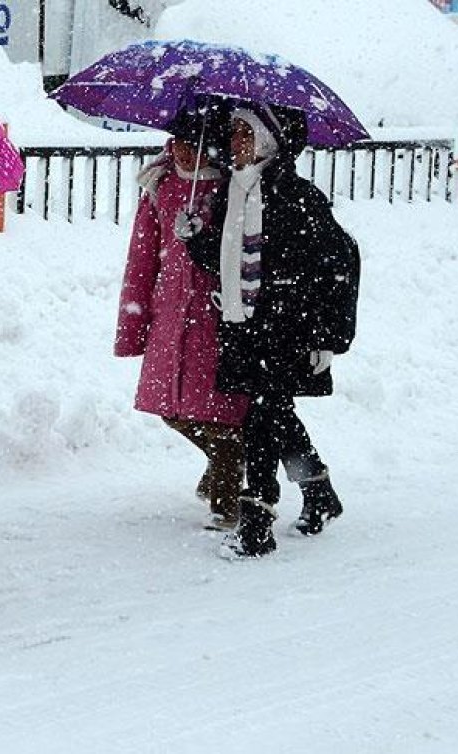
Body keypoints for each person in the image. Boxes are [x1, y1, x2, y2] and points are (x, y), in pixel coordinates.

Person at [187, 105, 360, 559]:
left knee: (261, 417)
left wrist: (327, 337)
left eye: (245, 132)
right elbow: (225, 261)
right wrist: (195, 239)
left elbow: (336, 266)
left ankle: (257, 521)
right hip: (242, 324)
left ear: (268, 140)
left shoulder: (297, 195)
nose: (235, 140)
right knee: (274, 412)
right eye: (233, 132)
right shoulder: (230, 194)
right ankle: (318, 489)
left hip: (287, 325)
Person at [115, 111, 249, 531]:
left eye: (192, 144)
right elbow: (141, 260)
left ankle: (227, 500)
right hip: (169, 315)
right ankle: (228, 459)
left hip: (216, 314)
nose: (181, 151)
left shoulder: (233, 188)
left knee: (218, 409)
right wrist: (132, 325)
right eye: (177, 142)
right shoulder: (160, 187)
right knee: (171, 408)